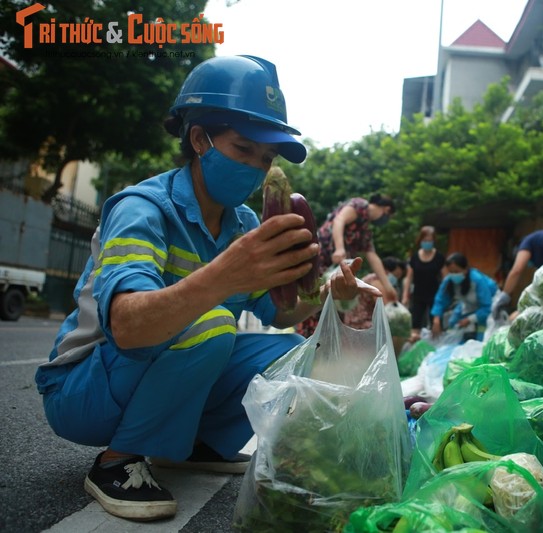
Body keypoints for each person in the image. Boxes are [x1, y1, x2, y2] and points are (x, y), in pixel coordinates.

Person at [33, 55, 380, 523]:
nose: (257, 169)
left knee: (290, 352)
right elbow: (128, 325)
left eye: (266, 159)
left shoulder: (245, 223)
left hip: (147, 371)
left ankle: (193, 444)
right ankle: (117, 462)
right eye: (243, 150)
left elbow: (276, 312)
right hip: (84, 388)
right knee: (214, 322)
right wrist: (225, 274)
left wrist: (325, 295)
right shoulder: (142, 208)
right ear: (200, 140)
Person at [317, 193, 398, 302]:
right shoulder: (359, 205)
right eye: (388, 217)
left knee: (326, 299)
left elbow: (372, 256)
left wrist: (388, 287)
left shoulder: (365, 230)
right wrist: (340, 248)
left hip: (334, 268)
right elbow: (339, 220)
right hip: (321, 257)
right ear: (387, 209)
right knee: (313, 296)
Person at [430, 252, 497, 341]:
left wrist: (469, 319)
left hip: (489, 306)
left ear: (465, 269)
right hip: (468, 304)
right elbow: (440, 299)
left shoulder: (477, 280)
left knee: (482, 337)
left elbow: (487, 307)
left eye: (457, 271)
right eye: (451, 272)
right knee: (453, 324)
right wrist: (436, 319)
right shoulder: (449, 280)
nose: (453, 275)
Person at [402, 226, 445, 341]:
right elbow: (409, 277)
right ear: (420, 241)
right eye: (424, 241)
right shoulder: (415, 257)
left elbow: (445, 278)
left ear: (433, 241)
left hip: (435, 295)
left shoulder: (439, 257)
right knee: (415, 322)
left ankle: (436, 347)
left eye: (429, 241)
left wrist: (445, 296)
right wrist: (405, 295)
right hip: (418, 294)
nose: (427, 243)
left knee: (435, 323)